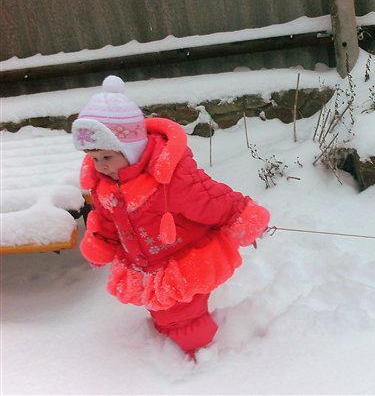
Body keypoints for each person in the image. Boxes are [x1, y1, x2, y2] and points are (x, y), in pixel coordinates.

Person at [72, 75, 270, 359]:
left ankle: (206, 357)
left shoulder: (170, 179)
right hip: (147, 265)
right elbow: (105, 221)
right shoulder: (105, 185)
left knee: (182, 318)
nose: (100, 166)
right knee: (163, 310)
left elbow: (212, 201)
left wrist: (244, 218)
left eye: (107, 157)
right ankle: (179, 336)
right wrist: (100, 243)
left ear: (131, 149)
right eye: (93, 158)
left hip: (183, 263)